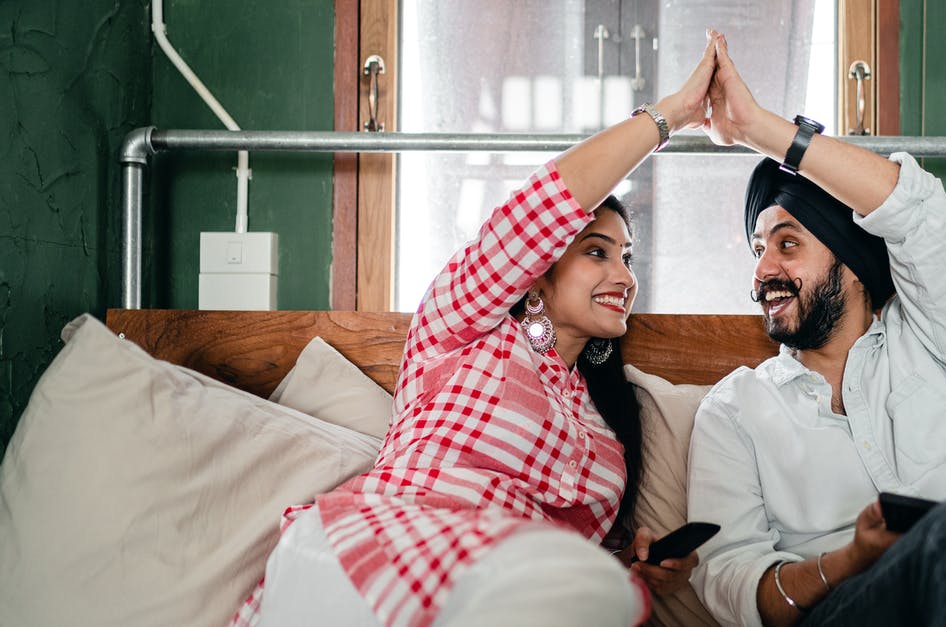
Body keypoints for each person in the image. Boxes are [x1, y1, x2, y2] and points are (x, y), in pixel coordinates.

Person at [230, 32, 722, 627]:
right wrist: (671, 115)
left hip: (503, 591)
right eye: (598, 252)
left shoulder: (607, 436)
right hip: (379, 546)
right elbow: (533, 214)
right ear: (538, 272)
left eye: (628, 257)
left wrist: (632, 572)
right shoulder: (462, 327)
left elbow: (558, 572)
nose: (623, 275)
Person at [686, 32, 946, 627]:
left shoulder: (937, 342)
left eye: (787, 244)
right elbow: (734, 582)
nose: (762, 270)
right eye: (758, 249)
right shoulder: (735, 409)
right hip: (851, 609)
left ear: (856, 267)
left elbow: (923, 215)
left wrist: (758, 127)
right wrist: (850, 559)